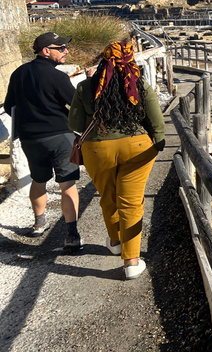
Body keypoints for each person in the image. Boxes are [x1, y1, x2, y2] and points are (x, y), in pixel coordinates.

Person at [68, 41, 165, 280]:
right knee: (131, 203)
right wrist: (158, 143)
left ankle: (115, 241)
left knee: (108, 197)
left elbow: (75, 125)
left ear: (104, 61)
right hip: (137, 148)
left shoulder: (85, 87)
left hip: (97, 149)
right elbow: (157, 122)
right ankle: (131, 261)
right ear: (130, 61)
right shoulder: (139, 84)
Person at [3, 32, 82, 252]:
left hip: (30, 139)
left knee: (38, 180)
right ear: (46, 51)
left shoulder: (18, 73)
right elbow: (75, 104)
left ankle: (39, 224)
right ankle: (72, 234)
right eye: (61, 48)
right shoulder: (57, 76)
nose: (66, 51)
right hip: (59, 135)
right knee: (67, 184)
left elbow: (10, 106)